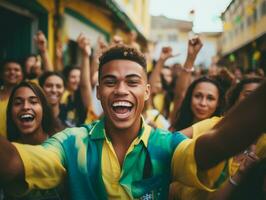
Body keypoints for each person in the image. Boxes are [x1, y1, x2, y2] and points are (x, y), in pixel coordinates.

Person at [0, 45, 266, 200]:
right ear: (98, 92)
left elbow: (215, 146)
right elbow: (13, 164)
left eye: (132, 82)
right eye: (110, 81)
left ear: (147, 92)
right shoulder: (71, 142)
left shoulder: (165, 145)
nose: (121, 90)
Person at [4, 81, 65, 199]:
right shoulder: (7, 154)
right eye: (18, 103)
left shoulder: (63, 144)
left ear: (44, 109)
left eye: (33, 102)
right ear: (10, 113)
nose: (25, 107)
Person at [0, 60, 24, 137]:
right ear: (1, 74)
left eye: (16, 70)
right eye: (8, 70)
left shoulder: (27, 96)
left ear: (22, 75)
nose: (12, 72)